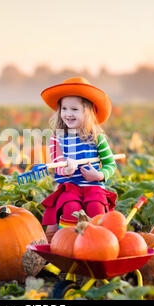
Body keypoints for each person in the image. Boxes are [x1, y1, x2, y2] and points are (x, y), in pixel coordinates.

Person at [40, 77, 117, 242]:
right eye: (64, 108)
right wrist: (66, 170)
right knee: (70, 208)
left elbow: (110, 164)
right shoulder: (57, 138)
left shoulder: (97, 138)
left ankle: (98, 243)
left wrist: (100, 175)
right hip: (70, 187)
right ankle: (66, 244)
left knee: (96, 209)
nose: (68, 114)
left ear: (87, 112)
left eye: (74, 109)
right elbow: (57, 163)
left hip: (93, 187)